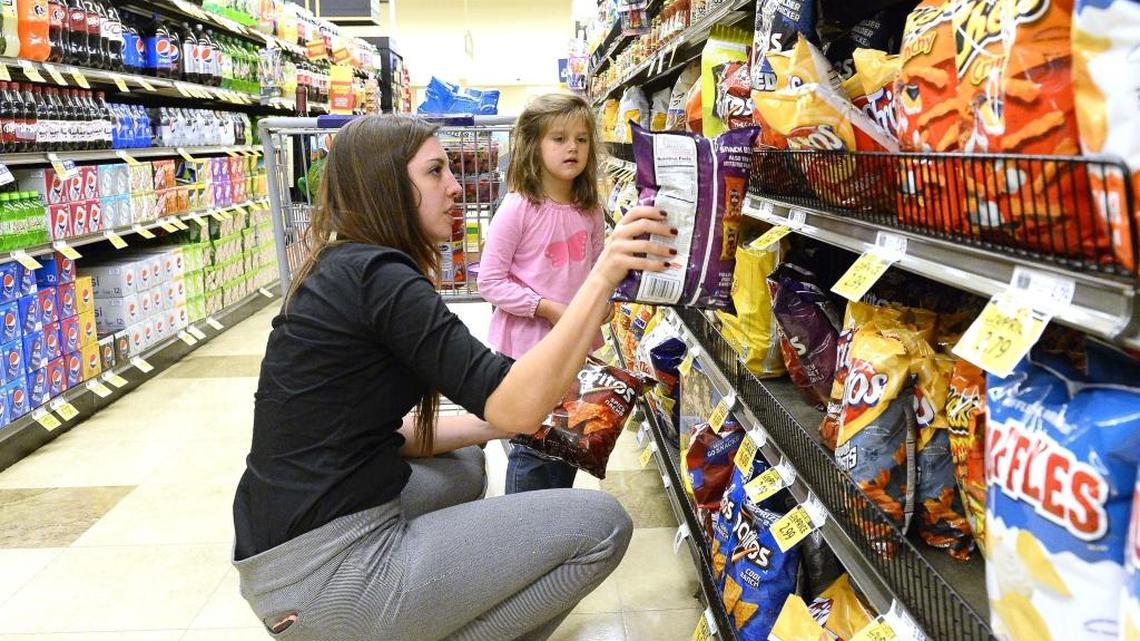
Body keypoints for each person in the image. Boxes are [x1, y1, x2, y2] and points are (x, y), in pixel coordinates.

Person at [231, 114, 676, 641]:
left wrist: (499, 428)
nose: (456, 185)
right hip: (325, 574)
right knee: (602, 526)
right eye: (436, 171)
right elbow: (514, 404)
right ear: (387, 188)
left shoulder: (345, 267)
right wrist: (602, 275)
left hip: (277, 542)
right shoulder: (382, 280)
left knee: (465, 465)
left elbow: (392, 435)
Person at [478, 93, 606, 494]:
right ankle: (522, 533)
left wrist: (601, 306)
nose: (573, 147)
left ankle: (552, 522)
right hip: (525, 351)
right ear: (533, 145)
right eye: (559, 138)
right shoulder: (519, 208)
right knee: (532, 447)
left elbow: (598, 271)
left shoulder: (591, 210)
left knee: (565, 444)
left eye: (582, 139)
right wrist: (547, 308)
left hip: (574, 351)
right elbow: (490, 280)